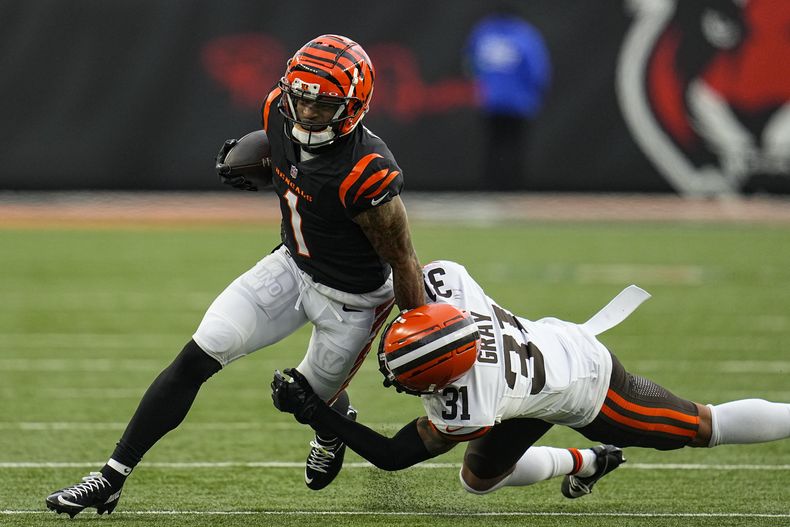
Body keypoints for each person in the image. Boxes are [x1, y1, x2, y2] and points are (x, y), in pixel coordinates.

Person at [45, 34, 425, 518]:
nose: (307, 112)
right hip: (291, 265)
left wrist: (419, 333)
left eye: (323, 105)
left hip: (353, 301)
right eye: (301, 98)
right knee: (199, 354)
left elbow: (404, 260)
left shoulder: (368, 171)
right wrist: (262, 163)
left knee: (303, 400)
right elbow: (284, 153)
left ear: (354, 108)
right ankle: (111, 477)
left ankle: (331, 425)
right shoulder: (276, 110)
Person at [272, 260, 790, 498]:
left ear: (446, 381)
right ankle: (591, 461)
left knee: (702, 426)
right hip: (529, 382)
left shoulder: (472, 403)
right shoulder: (448, 286)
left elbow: (392, 456)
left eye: (412, 381)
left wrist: (315, 412)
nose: (401, 383)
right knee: (477, 482)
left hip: (588, 382)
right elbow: (408, 275)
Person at [465, 10, 551, 190]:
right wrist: (534, 94)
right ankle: (512, 187)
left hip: (491, 100)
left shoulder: (484, 32)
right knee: (514, 147)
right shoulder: (525, 34)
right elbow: (537, 70)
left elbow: (471, 63)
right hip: (518, 102)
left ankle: (491, 186)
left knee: (493, 146)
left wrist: (481, 88)